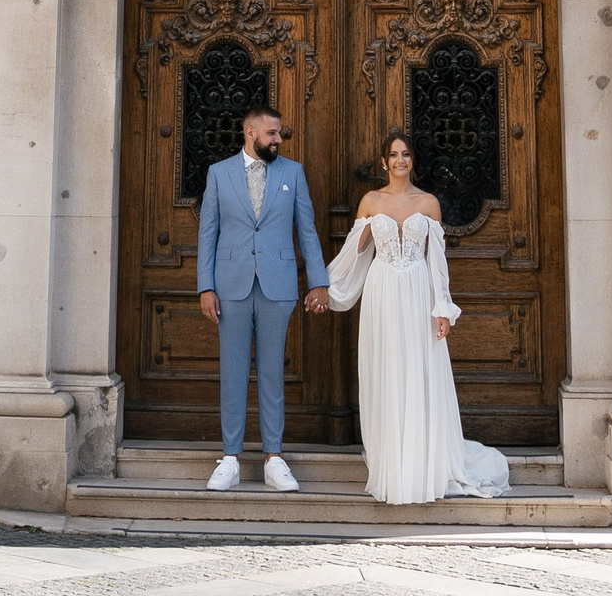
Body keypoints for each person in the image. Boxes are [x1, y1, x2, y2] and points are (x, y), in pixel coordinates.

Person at [325, 129, 510, 505]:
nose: (400, 161)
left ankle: (422, 466)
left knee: (419, 370)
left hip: (418, 291)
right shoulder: (370, 201)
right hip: (382, 293)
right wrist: (326, 286)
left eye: (406, 154)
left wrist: (442, 308)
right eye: (393, 155)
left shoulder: (428, 203)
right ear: (383, 162)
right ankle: (392, 466)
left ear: (413, 161)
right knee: (387, 371)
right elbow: (354, 254)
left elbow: (437, 261)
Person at [196, 98, 329, 493]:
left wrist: (318, 281)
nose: (278, 139)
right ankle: (230, 459)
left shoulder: (293, 172)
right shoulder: (219, 174)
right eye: (272, 133)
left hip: (278, 285)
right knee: (233, 373)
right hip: (230, 285)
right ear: (250, 132)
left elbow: (307, 229)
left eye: (279, 133)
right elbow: (208, 233)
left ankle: (274, 458)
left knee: (272, 373)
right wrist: (206, 286)